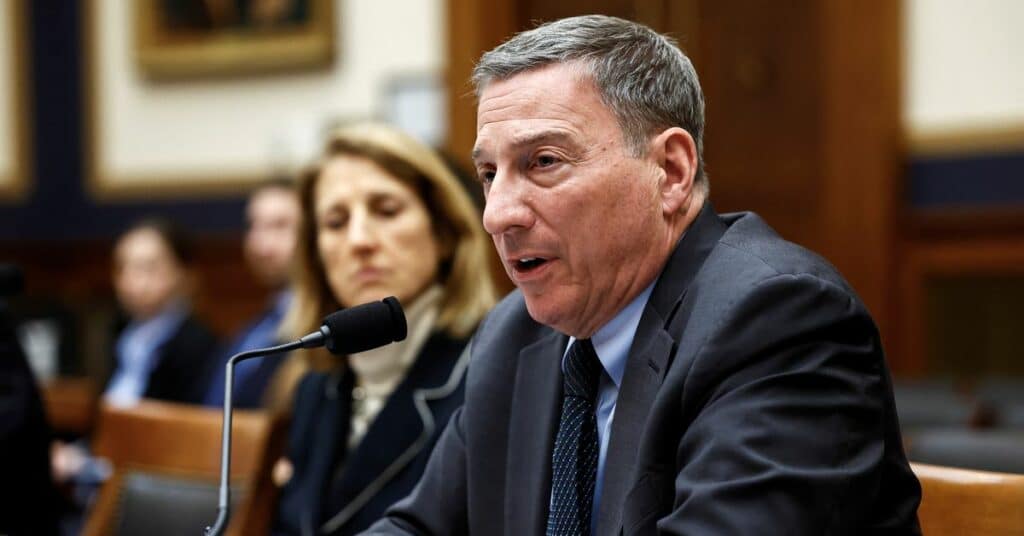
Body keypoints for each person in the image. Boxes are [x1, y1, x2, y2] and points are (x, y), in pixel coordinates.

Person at [367, 15, 921, 535]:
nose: (497, 214)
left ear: (671, 171)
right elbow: (419, 527)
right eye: (490, 173)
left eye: (543, 162)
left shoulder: (779, 322)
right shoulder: (515, 335)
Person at [271, 122, 498, 535]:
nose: (359, 240)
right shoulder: (314, 389)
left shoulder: (489, 377)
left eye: (386, 211)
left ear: (444, 233)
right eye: (336, 222)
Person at [203, 178, 301, 409]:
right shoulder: (260, 324)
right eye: (253, 226)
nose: (259, 244)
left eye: (279, 226)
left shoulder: (321, 328)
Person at [101, 218, 218, 407]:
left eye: (148, 267)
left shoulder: (198, 345)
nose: (131, 280)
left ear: (183, 272)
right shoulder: (120, 334)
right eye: (123, 267)